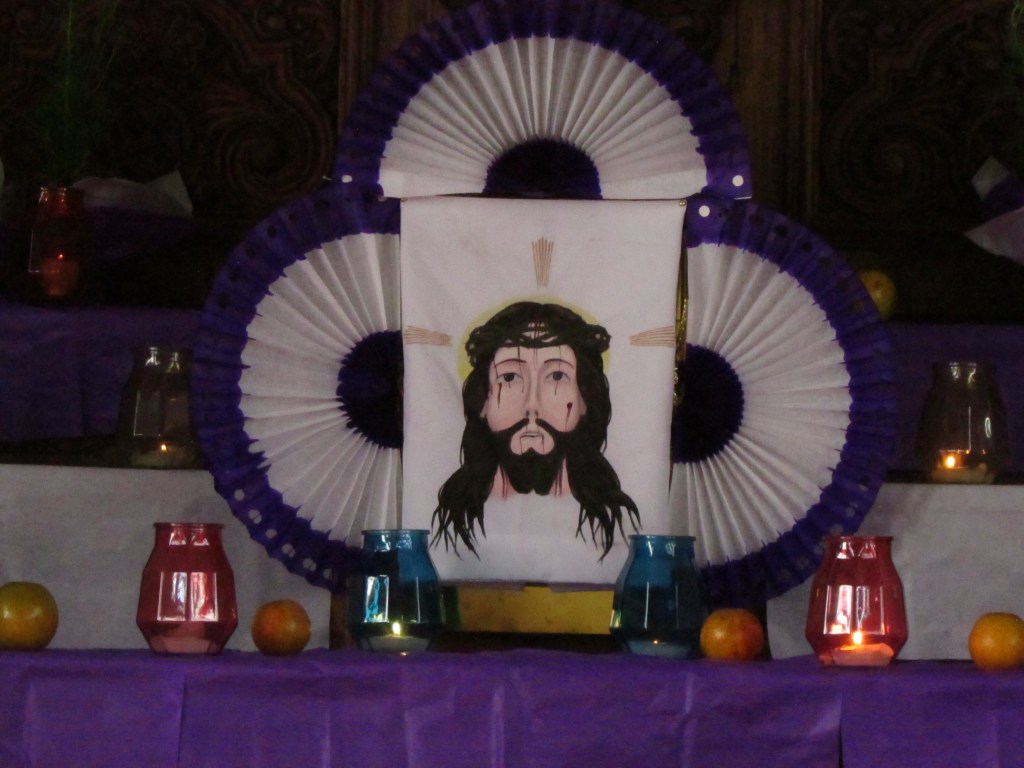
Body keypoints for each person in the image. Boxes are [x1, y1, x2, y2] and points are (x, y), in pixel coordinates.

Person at [432, 301, 639, 560]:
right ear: (482, 401)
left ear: (584, 399)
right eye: (509, 377)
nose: (532, 405)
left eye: (556, 376)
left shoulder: (618, 524)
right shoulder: (451, 520)